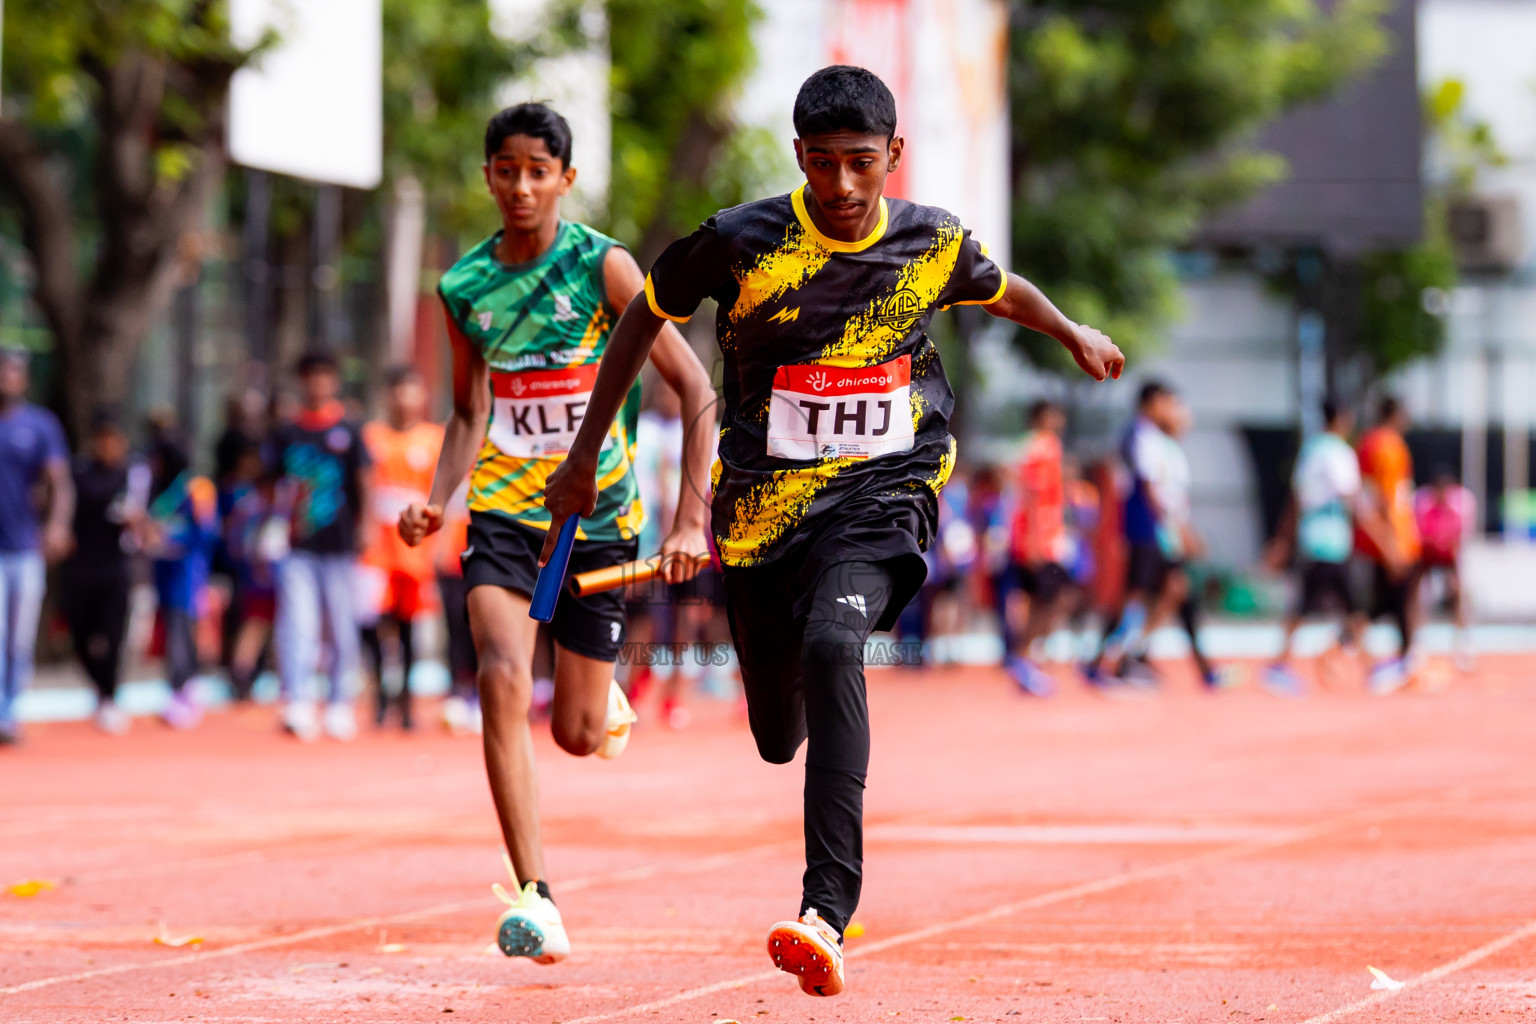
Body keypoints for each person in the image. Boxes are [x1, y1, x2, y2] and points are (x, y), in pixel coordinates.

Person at [540, 66, 1123, 997]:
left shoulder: (931, 242)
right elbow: (644, 313)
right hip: (765, 515)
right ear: (799, 157)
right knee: (777, 734)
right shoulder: (741, 241)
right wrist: (584, 451)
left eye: (862, 164)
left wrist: (1072, 330)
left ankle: (825, 911)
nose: (844, 187)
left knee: (835, 639)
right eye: (823, 165)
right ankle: (807, 695)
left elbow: (1002, 288)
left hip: (887, 494)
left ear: (893, 155)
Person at [396, 102, 715, 965]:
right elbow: (468, 410)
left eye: (540, 170)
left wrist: (691, 516)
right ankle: (537, 894)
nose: (523, 186)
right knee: (500, 672)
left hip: (600, 517)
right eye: (507, 169)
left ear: (565, 179)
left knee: (575, 734)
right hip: (504, 509)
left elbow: (696, 390)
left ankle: (595, 695)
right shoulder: (464, 286)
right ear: (488, 175)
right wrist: (439, 497)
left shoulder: (604, 269)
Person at [267, 351, 371, 741]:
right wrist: (271, 526)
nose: (317, 384)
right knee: (298, 624)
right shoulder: (287, 431)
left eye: (325, 376)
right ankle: (298, 700)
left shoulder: (350, 428)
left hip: (341, 544)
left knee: (342, 625)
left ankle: (340, 702)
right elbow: (271, 482)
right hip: (298, 544)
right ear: (301, 380)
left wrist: (367, 528)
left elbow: (365, 479)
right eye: (310, 376)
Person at [1263, 399, 1398, 695]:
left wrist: (1282, 541)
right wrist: (1384, 540)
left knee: (1334, 604)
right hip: (1331, 540)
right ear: (1343, 418)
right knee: (1340, 604)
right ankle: (1371, 667)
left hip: (1312, 536)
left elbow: (1295, 500)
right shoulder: (1338, 453)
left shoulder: (1310, 450)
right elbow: (1353, 499)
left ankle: (1369, 665)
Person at [1083, 381, 1190, 690]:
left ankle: (1126, 655)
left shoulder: (1153, 437)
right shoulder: (1140, 435)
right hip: (1147, 527)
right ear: (1153, 402)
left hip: (1156, 528)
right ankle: (1109, 661)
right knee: (1135, 596)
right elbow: (1148, 487)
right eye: (1167, 402)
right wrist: (1171, 527)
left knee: (1169, 589)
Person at [358, 366, 444, 731]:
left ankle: (406, 702)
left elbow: (444, 499)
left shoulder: (434, 440)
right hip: (376, 549)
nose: (402, 397)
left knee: (409, 626)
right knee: (374, 623)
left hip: (415, 550)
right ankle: (379, 694)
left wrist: (438, 545)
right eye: (396, 389)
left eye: (410, 388)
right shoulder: (371, 437)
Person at [0, 347, 74, 744]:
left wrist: (57, 524)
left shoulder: (40, 425)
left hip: (24, 545)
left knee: (18, 636)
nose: (8, 378)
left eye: (14, 371)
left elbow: (59, 481)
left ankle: (10, 712)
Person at [63, 411, 149, 734]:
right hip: (81, 567)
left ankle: (109, 695)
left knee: (113, 635)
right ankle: (99, 686)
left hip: (116, 568)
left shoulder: (132, 475)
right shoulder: (79, 472)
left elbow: (146, 522)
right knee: (78, 634)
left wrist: (137, 523)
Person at [143, 428, 218, 730]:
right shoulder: (158, 489)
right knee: (170, 631)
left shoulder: (197, 488)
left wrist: (170, 536)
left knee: (182, 633)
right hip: (164, 572)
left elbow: (207, 532)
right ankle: (177, 688)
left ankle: (184, 689)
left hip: (187, 573)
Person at [1004, 400, 1073, 696]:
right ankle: (1023, 659)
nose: (1059, 418)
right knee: (1055, 598)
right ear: (1042, 417)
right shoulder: (1045, 447)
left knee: (1039, 601)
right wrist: (1034, 541)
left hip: (1035, 536)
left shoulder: (1028, 447)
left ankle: (1025, 662)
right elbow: (1032, 494)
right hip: (1040, 539)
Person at [1355, 396, 1421, 694]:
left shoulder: (1368, 443)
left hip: (1378, 537)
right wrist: (1392, 543)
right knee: (1401, 600)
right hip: (1393, 538)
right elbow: (1387, 498)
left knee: (1385, 602)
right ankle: (1405, 665)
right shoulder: (1389, 446)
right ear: (1396, 414)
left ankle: (1403, 663)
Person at [1415, 467, 1476, 671]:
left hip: (1450, 553)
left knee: (1460, 596)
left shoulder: (1462, 502)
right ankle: (1417, 645)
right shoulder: (1421, 501)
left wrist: (1454, 577)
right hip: (1426, 553)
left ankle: (1463, 645)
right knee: (1417, 598)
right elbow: (1417, 534)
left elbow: (1461, 537)